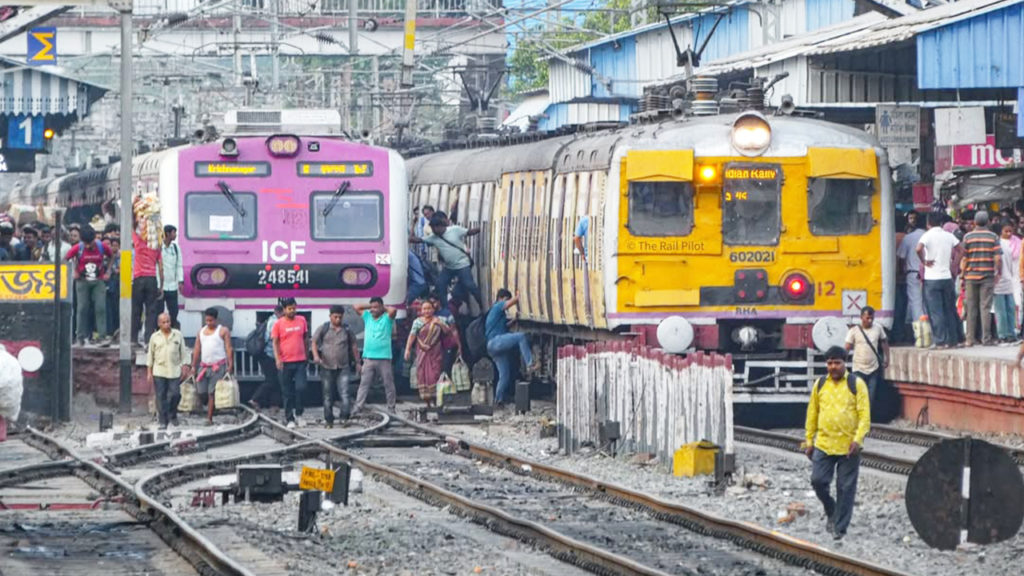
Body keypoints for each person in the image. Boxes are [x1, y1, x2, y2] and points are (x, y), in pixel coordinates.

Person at [803, 346, 870, 541]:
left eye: (837, 363)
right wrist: (809, 440)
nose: (833, 367)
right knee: (818, 481)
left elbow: (864, 415)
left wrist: (858, 440)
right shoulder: (820, 384)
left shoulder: (856, 384)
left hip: (849, 447)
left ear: (845, 363)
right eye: (830, 363)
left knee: (845, 487)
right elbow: (812, 413)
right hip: (824, 444)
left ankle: (839, 528)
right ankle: (831, 508)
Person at [410, 213, 484, 311]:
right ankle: (445, 308)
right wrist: (409, 235)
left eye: (435, 228)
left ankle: (482, 306)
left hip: (462, 264)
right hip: (449, 267)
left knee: (469, 285)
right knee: (440, 284)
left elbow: (468, 232)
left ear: (440, 226)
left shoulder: (454, 230)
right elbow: (418, 240)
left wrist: (480, 228)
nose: (433, 230)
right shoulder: (433, 237)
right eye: (432, 228)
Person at [485, 289, 537, 405]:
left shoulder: (497, 314)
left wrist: (514, 320)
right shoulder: (497, 306)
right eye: (506, 299)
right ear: (501, 298)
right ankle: (530, 364)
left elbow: (504, 326)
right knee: (521, 337)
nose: (507, 303)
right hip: (496, 342)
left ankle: (498, 400)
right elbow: (508, 304)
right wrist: (518, 296)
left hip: (494, 347)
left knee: (505, 375)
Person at [916, 212, 961, 348]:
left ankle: (940, 341)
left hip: (931, 278)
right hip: (947, 277)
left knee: (936, 311)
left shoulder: (927, 235)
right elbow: (962, 250)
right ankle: (953, 340)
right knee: (949, 309)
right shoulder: (949, 236)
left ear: (928, 223)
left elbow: (918, 249)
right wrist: (954, 264)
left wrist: (924, 261)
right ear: (942, 223)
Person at [312, 305, 360, 426]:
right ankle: (329, 419)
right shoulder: (324, 328)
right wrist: (316, 356)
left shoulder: (347, 330)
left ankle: (344, 416)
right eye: (335, 317)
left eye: (340, 317)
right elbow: (313, 342)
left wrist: (358, 362)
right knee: (327, 395)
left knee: (345, 393)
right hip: (326, 366)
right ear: (330, 316)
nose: (338, 319)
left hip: (343, 366)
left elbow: (354, 345)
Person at [64, 225, 112, 346]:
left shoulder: (102, 247)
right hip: (82, 281)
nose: (88, 246)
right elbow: (66, 259)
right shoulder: (78, 248)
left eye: (90, 243)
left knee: (100, 307)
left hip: (98, 281)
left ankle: (102, 336)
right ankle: (80, 337)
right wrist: (74, 271)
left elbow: (112, 256)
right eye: (85, 243)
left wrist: (108, 271)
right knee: (82, 309)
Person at [351, 297, 397, 415]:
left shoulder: (387, 319)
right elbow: (356, 306)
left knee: (388, 384)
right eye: (372, 307)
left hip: (384, 357)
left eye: (376, 307)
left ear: (382, 308)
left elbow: (393, 311)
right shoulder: (367, 317)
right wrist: (371, 306)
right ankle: (358, 406)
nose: (373, 310)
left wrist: (381, 307)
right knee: (364, 384)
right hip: (369, 358)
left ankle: (391, 408)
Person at [961, 211, 1001, 346]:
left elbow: (964, 257)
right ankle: (986, 339)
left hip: (971, 276)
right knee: (985, 307)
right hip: (988, 275)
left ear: (975, 222)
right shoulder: (993, 237)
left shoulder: (967, 237)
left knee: (971, 307)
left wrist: (963, 274)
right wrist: (998, 271)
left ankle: (969, 339)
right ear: (988, 221)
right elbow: (997, 257)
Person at [404, 300, 452, 407]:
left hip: (435, 353)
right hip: (422, 352)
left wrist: (439, 323)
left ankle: (436, 400)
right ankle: (427, 402)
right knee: (422, 374)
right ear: (421, 310)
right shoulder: (417, 322)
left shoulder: (439, 320)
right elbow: (412, 336)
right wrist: (407, 349)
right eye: (424, 309)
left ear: (433, 309)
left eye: (429, 308)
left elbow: (448, 331)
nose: (427, 311)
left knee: (435, 374)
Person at [147, 312, 190, 429]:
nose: (167, 324)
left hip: (174, 370)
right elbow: (150, 355)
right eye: (164, 322)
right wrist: (149, 372)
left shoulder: (178, 335)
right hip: (159, 371)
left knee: (175, 394)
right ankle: (162, 420)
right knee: (160, 396)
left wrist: (185, 366)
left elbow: (183, 353)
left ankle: (172, 414)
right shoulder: (154, 337)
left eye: (168, 321)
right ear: (159, 324)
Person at [191, 307, 233, 426]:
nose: (209, 323)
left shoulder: (223, 331)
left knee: (211, 393)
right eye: (207, 321)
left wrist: (230, 365)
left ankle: (209, 418)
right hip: (203, 366)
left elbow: (229, 348)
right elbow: (197, 349)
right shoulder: (201, 332)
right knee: (201, 391)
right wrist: (193, 365)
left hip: (218, 366)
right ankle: (206, 409)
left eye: (211, 321)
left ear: (216, 320)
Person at [272, 298, 309, 428]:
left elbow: (305, 338)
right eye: (289, 309)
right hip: (285, 362)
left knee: (301, 387)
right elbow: (275, 342)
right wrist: (277, 359)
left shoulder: (302, 320)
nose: (292, 311)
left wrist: (307, 354)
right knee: (286, 391)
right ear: (284, 310)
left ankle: (299, 414)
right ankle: (289, 418)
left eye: (294, 308)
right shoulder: (278, 324)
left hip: (300, 361)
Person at [844, 306, 888, 407]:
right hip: (858, 368)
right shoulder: (854, 330)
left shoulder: (878, 328)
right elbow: (847, 348)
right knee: (859, 393)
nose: (870, 320)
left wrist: (887, 358)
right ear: (861, 317)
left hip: (873, 368)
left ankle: (867, 418)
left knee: (870, 396)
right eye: (867, 318)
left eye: (872, 318)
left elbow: (884, 342)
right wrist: (843, 364)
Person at [131, 217, 163, 347]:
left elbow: (132, 227)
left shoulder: (138, 242)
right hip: (151, 279)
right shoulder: (157, 247)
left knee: (136, 309)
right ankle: (148, 339)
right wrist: (161, 285)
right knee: (151, 311)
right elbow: (161, 267)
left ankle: (133, 339)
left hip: (138, 279)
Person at [249, 305, 284, 411]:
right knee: (271, 380)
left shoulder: (271, 320)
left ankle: (274, 404)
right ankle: (255, 399)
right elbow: (275, 340)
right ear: (279, 312)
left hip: (270, 354)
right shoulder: (275, 322)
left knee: (275, 380)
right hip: (268, 355)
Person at [896, 213, 925, 328]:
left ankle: (920, 333)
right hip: (931, 274)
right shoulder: (930, 236)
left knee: (915, 303)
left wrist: (899, 273)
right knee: (927, 304)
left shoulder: (909, 238)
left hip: (913, 274)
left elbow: (901, 257)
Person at [995, 223, 1019, 342]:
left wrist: (997, 275)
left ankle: (1004, 334)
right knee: (1007, 309)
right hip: (1006, 280)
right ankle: (1009, 333)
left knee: (1002, 310)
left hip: (1001, 281)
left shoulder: (1000, 245)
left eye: (1010, 231)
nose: (1009, 234)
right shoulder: (1006, 246)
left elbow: (998, 261)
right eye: (1006, 231)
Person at [160, 225, 184, 329]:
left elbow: (179, 265)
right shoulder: (159, 247)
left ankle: (172, 330)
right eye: (174, 233)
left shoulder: (175, 248)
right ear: (168, 234)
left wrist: (180, 281)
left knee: (174, 311)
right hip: (161, 286)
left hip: (172, 286)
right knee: (159, 312)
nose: (175, 235)